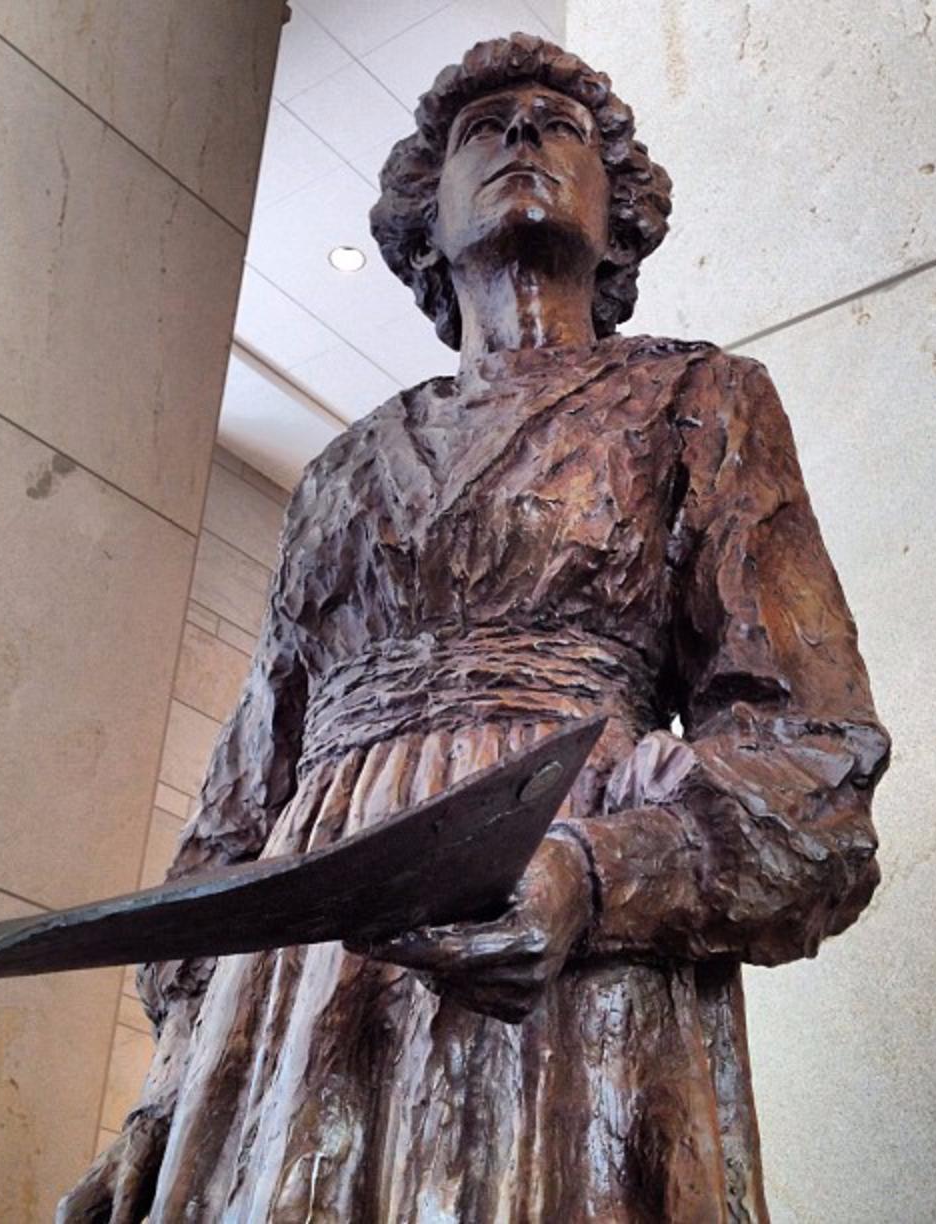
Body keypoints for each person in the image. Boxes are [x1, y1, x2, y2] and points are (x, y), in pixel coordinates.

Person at [60, 33, 889, 1223]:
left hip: (567, 964)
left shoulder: (696, 401)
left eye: (561, 121)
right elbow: (234, 823)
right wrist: (166, 1105)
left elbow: (815, 763)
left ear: (622, 217)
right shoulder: (339, 474)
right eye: (480, 125)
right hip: (302, 1004)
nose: (520, 132)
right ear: (421, 222)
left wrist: (591, 875)